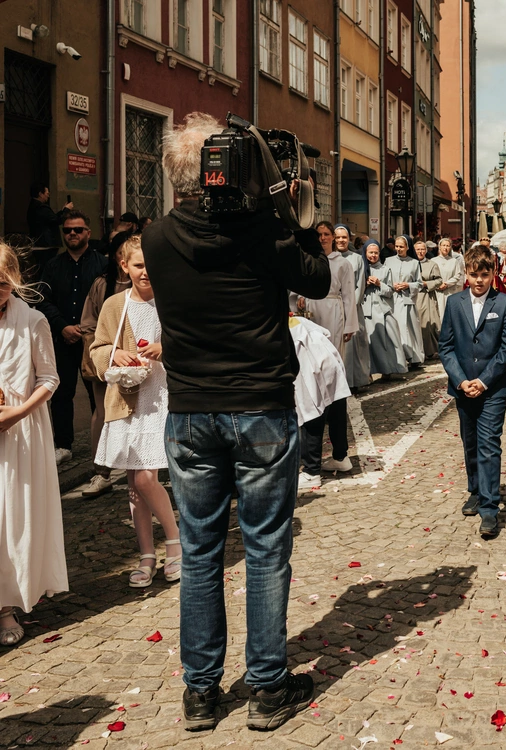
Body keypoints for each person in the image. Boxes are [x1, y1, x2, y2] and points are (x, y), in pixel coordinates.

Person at [143, 112, 330, 731]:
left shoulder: (155, 238)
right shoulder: (263, 232)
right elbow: (317, 278)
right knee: (266, 548)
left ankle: (200, 693)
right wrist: (291, 208)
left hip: (191, 413)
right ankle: (268, 687)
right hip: (260, 408)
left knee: (199, 552)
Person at [90, 237, 181, 588]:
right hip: (128, 399)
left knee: (145, 478)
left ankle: (174, 542)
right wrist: (114, 355)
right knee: (133, 485)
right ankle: (146, 554)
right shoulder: (115, 304)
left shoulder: (171, 298)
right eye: (138, 265)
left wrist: (164, 346)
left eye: (150, 264)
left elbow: (191, 339)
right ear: (124, 266)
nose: (145, 272)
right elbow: (97, 349)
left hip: (163, 396)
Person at [0, 242, 67, 648]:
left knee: (9, 518)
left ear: (14, 280)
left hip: (19, 433)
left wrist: (17, 412)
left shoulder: (34, 321)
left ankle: (5, 605)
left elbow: (49, 378)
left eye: (1, 283)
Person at [438, 246, 506, 539]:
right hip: (463, 387)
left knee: (489, 444)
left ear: (493, 273)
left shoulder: (504, 303)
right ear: (466, 274)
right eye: (474, 275)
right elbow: (445, 346)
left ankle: (489, 507)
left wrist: (483, 382)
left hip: (493, 387)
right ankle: (475, 490)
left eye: (485, 274)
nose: (480, 280)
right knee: (470, 441)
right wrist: (461, 381)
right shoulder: (454, 303)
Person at [37, 210, 109, 464]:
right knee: (61, 392)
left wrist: (89, 328)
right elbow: (42, 300)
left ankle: (104, 444)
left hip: (95, 340)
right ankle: (63, 445)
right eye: (67, 230)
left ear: (88, 232)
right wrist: (62, 326)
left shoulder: (102, 264)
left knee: (98, 392)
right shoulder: (53, 266)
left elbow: (110, 301)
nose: (72, 234)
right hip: (63, 339)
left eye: (78, 230)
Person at [292, 222, 358, 486]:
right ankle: (334, 450)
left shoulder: (342, 264)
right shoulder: (307, 260)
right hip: (309, 312)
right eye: (318, 235)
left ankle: (319, 453)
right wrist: (298, 298)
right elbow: (295, 286)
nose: (322, 239)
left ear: (333, 237)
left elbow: (349, 295)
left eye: (326, 235)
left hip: (332, 311)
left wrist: (350, 325)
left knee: (329, 371)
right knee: (310, 368)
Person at [76, 242, 132, 497]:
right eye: (121, 252)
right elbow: (88, 323)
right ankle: (101, 472)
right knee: (102, 412)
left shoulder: (150, 284)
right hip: (108, 360)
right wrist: (106, 351)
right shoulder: (102, 284)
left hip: (139, 361)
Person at [360, 240, 408, 379]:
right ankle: (367, 372)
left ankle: (388, 369)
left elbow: (390, 291)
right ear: (365, 253)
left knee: (388, 340)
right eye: (370, 252)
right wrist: (365, 284)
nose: (373, 255)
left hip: (382, 309)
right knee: (368, 343)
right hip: (366, 310)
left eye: (376, 253)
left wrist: (379, 283)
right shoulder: (361, 269)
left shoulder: (385, 269)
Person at [335, 225, 372, 389]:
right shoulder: (327, 257)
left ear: (349, 239)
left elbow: (360, 284)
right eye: (338, 237)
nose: (341, 240)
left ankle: (354, 381)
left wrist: (350, 306)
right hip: (333, 308)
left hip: (352, 308)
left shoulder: (357, 259)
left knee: (354, 347)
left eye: (344, 237)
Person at [385, 236, 425, 366]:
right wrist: (392, 285)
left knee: (409, 330)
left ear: (408, 247)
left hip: (407, 300)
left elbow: (419, 283)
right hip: (392, 300)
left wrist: (408, 285)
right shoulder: (388, 261)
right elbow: (384, 279)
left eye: (401, 247)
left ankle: (414, 357)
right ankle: (398, 358)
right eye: (396, 246)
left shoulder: (414, 263)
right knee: (395, 329)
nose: (398, 249)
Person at [415, 240, 443, 359]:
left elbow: (439, 280)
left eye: (422, 249)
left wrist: (427, 284)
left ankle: (429, 351)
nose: (420, 252)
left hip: (426, 296)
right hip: (412, 296)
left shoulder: (432, 264)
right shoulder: (411, 263)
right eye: (418, 249)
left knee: (428, 325)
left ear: (426, 251)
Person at [26, 182, 73, 249]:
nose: (48, 196)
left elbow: (51, 218)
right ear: (40, 194)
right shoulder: (41, 207)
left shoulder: (34, 205)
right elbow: (56, 220)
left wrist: (63, 210)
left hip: (40, 243)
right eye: (47, 193)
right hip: (45, 244)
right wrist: (67, 210)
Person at [432, 238, 466, 322]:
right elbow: (430, 276)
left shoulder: (454, 261)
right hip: (436, 292)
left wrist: (447, 284)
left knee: (449, 314)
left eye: (447, 246)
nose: (445, 248)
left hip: (450, 291)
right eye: (443, 245)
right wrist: (437, 285)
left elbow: (457, 275)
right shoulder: (433, 261)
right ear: (439, 247)